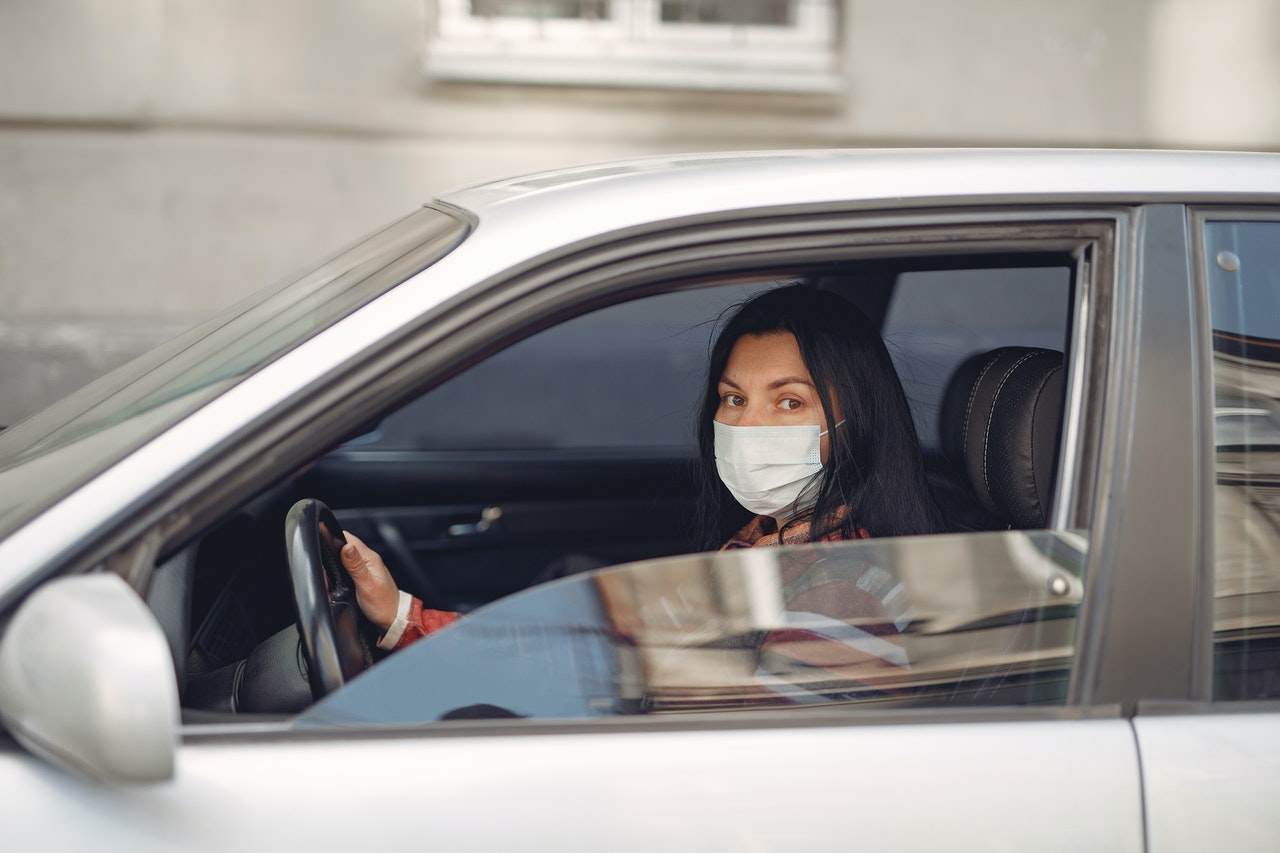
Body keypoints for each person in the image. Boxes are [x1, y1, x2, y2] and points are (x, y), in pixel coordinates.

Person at [338, 283, 943, 653]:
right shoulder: (767, 545)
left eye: (789, 401)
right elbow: (616, 650)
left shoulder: (837, 599)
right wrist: (404, 620)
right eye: (734, 399)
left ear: (855, 422)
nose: (746, 427)